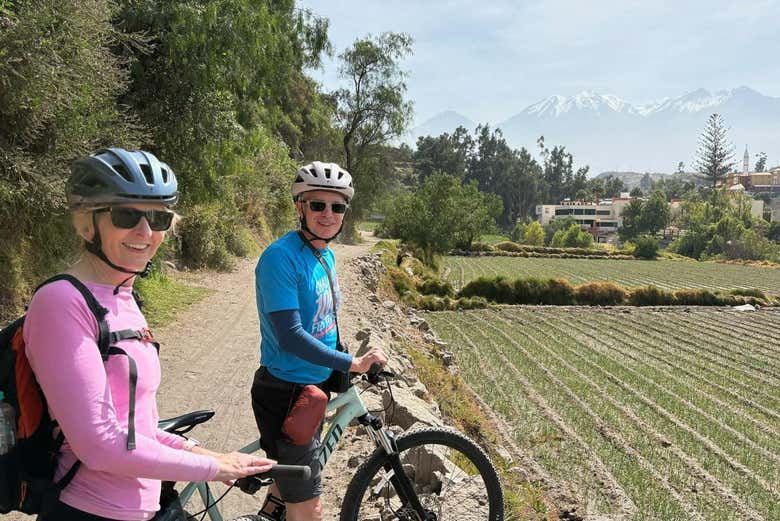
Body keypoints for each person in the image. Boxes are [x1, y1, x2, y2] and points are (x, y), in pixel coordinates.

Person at [25, 148, 275, 521]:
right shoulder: (62, 302)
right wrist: (212, 470)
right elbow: (101, 446)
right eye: (126, 215)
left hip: (142, 506)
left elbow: (135, 426)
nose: (145, 232)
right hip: (89, 510)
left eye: (158, 218)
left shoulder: (124, 294)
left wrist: (205, 454)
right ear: (87, 224)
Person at [251, 161, 387, 521]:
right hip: (287, 393)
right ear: (300, 207)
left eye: (337, 206)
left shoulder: (323, 254)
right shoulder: (280, 258)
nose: (328, 214)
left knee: (286, 490)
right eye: (318, 205)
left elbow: (325, 322)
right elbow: (291, 336)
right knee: (309, 511)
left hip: (313, 386)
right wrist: (352, 363)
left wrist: (341, 365)